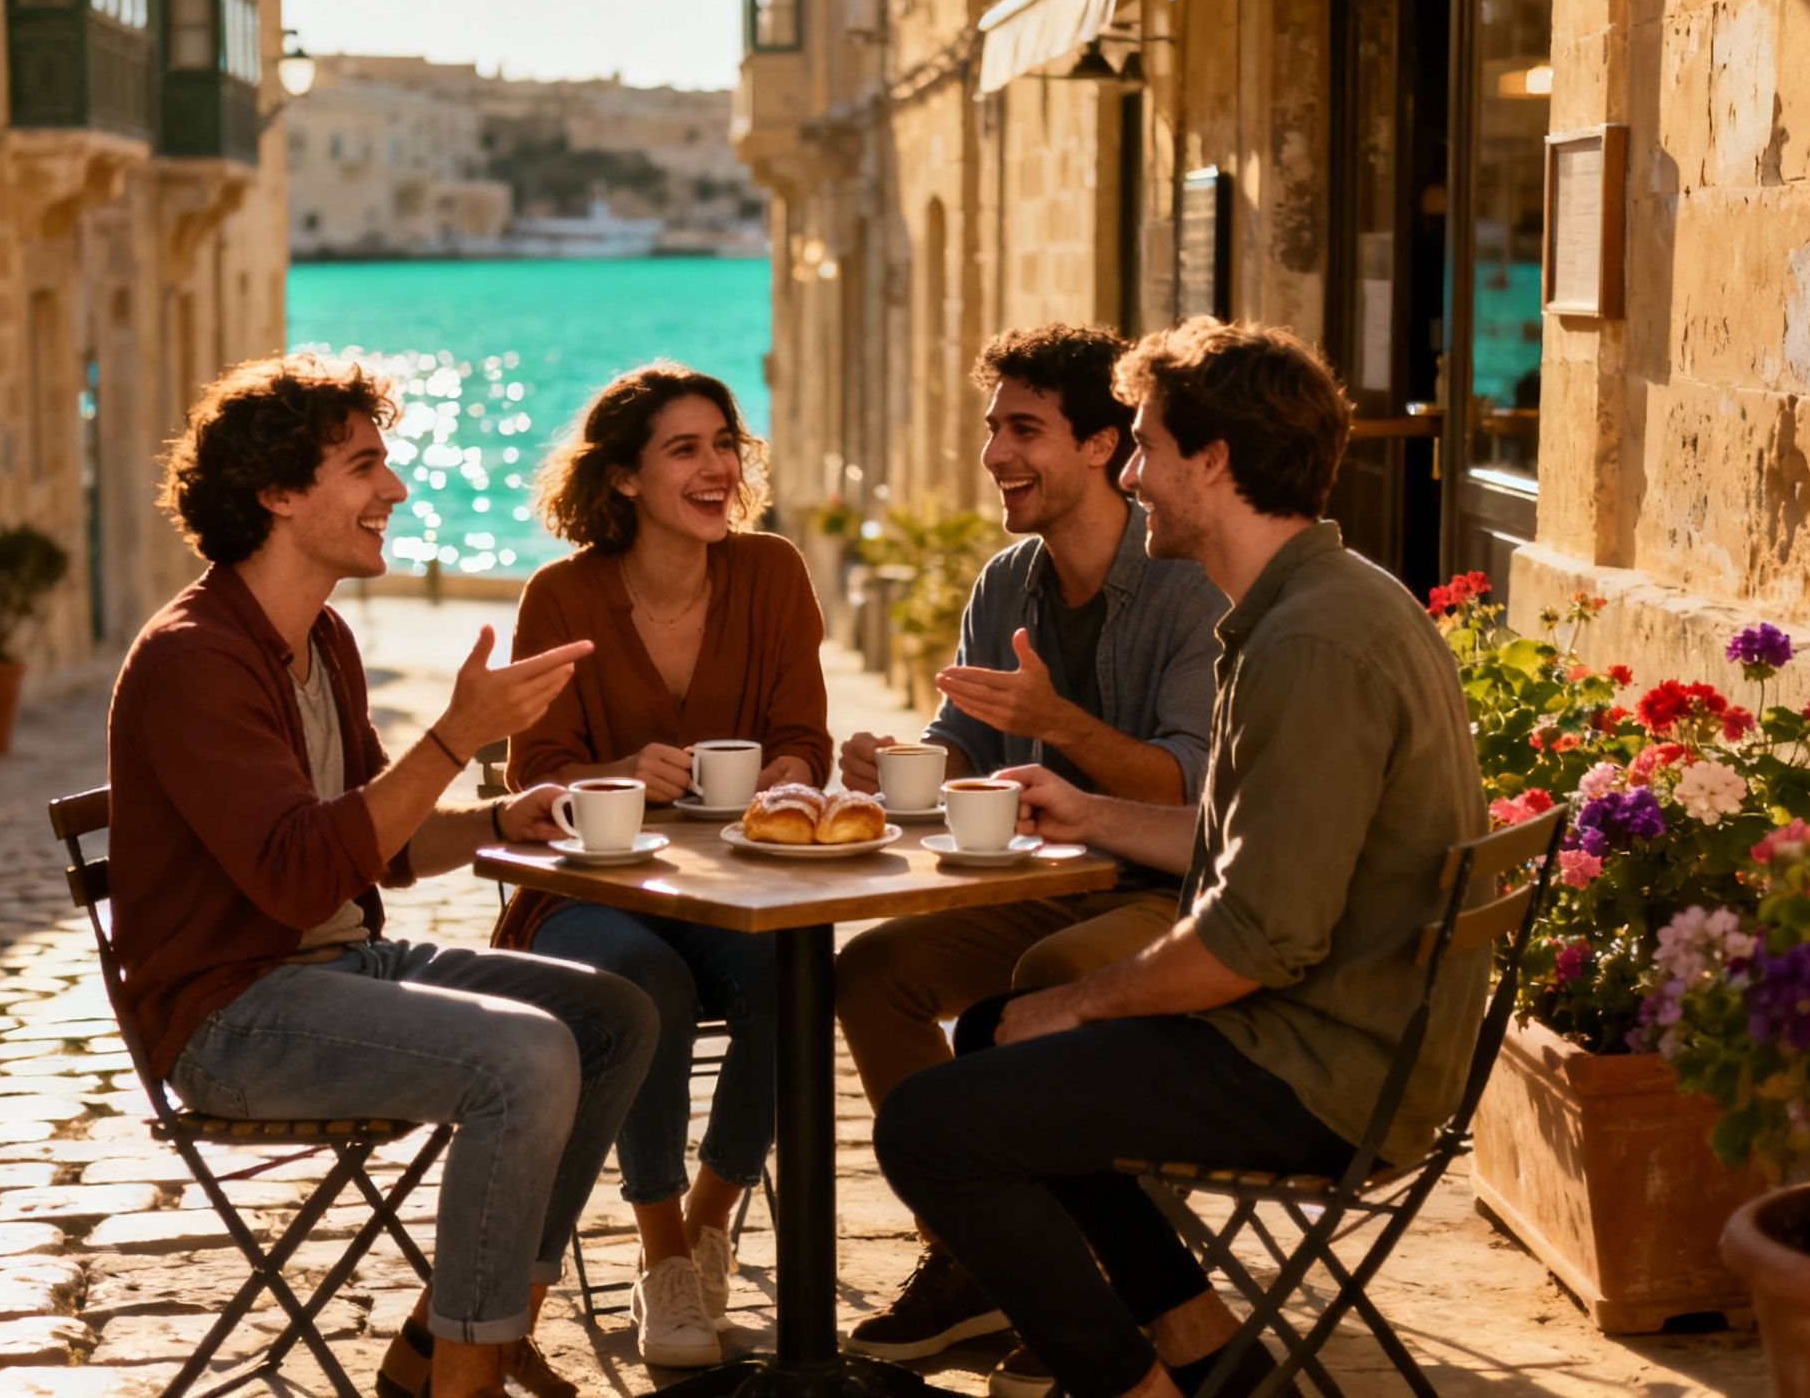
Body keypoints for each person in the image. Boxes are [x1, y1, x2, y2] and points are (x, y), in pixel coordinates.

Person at [873, 319, 1484, 1398]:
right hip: (1346, 1025)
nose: (1137, 476)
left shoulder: (1308, 643)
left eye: (1147, 447)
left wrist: (1081, 1006)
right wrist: (1089, 814)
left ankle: (1131, 1388)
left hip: (1322, 1066)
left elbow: (1256, 935)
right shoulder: (1313, 604)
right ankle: (1199, 1345)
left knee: (933, 1127)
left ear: (1213, 460)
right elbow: (1248, 837)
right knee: (988, 1044)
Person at [107, 353, 657, 1398]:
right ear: (276, 493)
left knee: (612, 1018)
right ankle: (465, 1383)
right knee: (525, 1058)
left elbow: (382, 845)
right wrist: (458, 733)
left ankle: (448, 1344)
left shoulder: (320, 638)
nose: (395, 491)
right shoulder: (192, 659)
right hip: (230, 1015)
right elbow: (300, 876)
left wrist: (504, 814)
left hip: (334, 972)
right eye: (364, 468)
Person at [832, 324, 1228, 1364]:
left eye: (1025, 429)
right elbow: (961, 741)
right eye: (990, 429)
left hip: (1170, 889)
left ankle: (1070, 1278)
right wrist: (896, 763)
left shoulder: (1187, 584)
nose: (996, 454)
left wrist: (1061, 728)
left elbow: (1191, 781)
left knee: (1042, 988)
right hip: (1050, 881)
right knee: (871, 973)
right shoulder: (1006, 582)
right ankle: (973, 1254)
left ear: (1103, 445)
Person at [493, 362, 831, 1368]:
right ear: (626, 479)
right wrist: (616, 772)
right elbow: (538, 777)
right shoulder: (561, 596)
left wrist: (788, 772)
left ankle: (711, 1221)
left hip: (729, 886)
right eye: (684, 449)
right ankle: (662, 1259)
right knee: (646, 986)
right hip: (585, 897)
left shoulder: (771, 572)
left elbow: (805, 733)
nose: (716, 466)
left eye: (725, 443)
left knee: (798, 974)